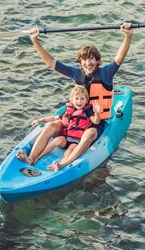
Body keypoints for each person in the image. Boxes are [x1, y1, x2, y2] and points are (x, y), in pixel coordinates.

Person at [19, 21, 133, 171]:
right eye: (85, 59)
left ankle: (63, 164)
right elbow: (51, 62)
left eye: (91, 58)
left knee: (89, 134)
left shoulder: (105, 73)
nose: (88, 62)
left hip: (95, 122)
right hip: (74, 121)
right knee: (51, 125)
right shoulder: (76, 73)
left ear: (97, 61)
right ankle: (31, 158)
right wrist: (35, 40)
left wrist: (128, 37)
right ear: (80, 62)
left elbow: (119, 58)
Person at [16, 85, 101, 170]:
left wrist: (97, 113)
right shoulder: (69, 110)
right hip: (66, 138)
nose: (79, 101)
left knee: (69, 151)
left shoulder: (87, 111)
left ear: (86, 100)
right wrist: (40, 120)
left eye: (82, 99)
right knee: (56, 141)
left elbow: (95, 121)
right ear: (71, 99)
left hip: (76, 141)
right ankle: (35, 158)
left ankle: (61, 165)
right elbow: (54, 118)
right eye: (77, 98)